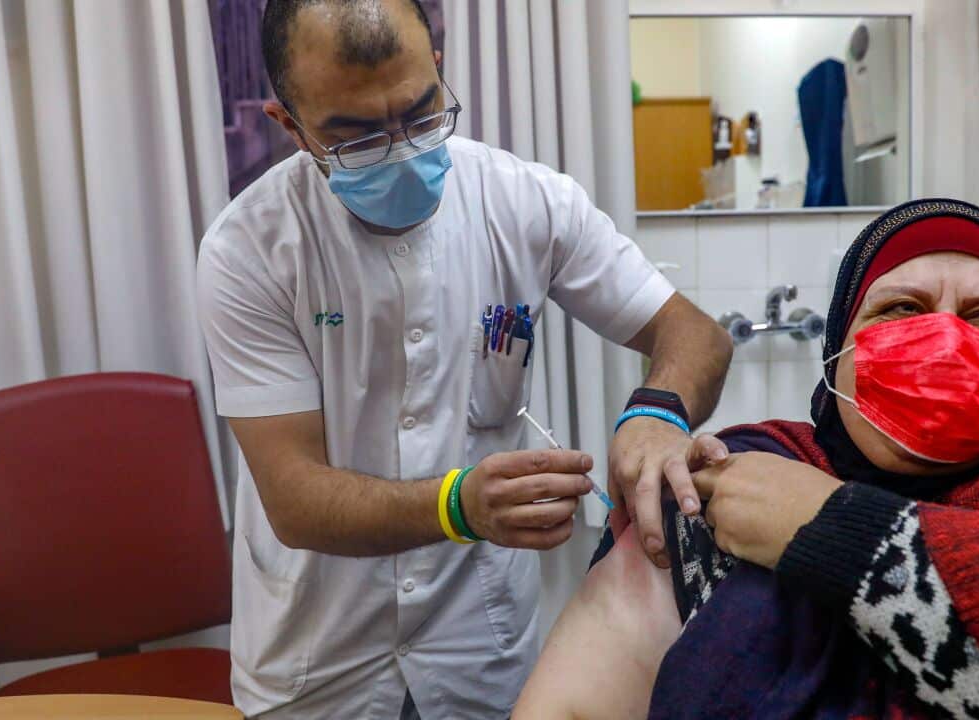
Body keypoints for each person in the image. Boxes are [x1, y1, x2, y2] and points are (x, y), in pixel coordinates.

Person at [515, 198, 979, 719]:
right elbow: (576, 703)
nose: (945, 337)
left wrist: (824, 521)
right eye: (900, 309)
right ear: (835, 354)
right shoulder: (731, 471)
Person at [195, 0, 731, 717]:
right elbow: (293, 497)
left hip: (480, 652)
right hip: (320, 664)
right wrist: (457, 505)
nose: (399, 150)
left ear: (438, 71)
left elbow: (694, 333)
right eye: (354, 137)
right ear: (289, 125)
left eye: (420, 116)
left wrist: (655, 410)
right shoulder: (249, 251)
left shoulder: (525, 201)